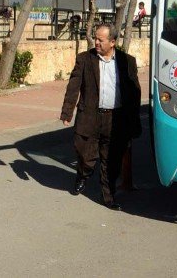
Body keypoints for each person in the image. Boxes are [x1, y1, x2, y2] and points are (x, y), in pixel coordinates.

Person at [60, 23, 141, 211]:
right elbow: (73, 87)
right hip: (90, 116)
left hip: (116, 119)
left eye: (100, 39)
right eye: (95, 38)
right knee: (84, 154)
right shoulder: (84, 59)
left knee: (111, 161)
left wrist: (134, 121)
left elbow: (134, 92)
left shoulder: (127, 61)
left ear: (112, 42)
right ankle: (83, 174)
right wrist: (67, 111)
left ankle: (108, 196)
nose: (96, 42)